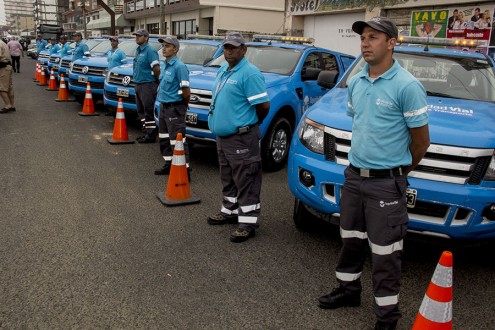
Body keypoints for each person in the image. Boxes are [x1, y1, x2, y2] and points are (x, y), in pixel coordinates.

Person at [317, 17, 430, 330]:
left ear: (391, 43)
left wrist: (396, 173)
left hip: (385, 184)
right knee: (350, 238)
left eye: (373, 37)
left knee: (385, 252)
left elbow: (421, 142)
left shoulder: (407, 86)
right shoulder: (357, 81)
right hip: (354, 176)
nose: (365, 43)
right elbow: (361, 122)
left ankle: (387, 317)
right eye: (363, 38)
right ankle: (349, 290)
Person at [206, 32, 270, 243]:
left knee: (246, 178)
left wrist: (249, 125)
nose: (229, 51)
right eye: (226, 47)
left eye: (233, 47)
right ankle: (229, 211)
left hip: (242, 138)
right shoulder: (225, 69)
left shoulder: (249, 73)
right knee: (228, 176)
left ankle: (248, 222)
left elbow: (263, 107)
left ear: (244, 49)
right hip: (224, 138)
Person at [154, 36, 191, 176]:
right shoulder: (165, 64)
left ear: (175, 49)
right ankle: (169, 164)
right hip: (164, 107)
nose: (164, 48)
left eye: (167, 46)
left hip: (175, 108)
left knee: (178, 141)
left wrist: (181, 108)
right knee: (164, 139)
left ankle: (184, 170)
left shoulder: (179, 67)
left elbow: (186, 92)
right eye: (163, 46)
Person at [132, 29, 160, 143]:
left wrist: (156, 81)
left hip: (147, 85)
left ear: (146, 37)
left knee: (148, 110)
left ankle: (151, 135)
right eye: (136, 36)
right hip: (138, 84)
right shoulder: (138, 50)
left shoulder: (150, 51)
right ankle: (146, 131)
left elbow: (156, 68)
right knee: (140, 110)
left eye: (139, 36)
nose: (137, 37)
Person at [0, 38, 15, 113]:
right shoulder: (3, 43)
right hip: (8, 66)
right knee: (9, 88)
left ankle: (7, 105)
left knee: (1, 88)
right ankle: (12, 105)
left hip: (3, 67)